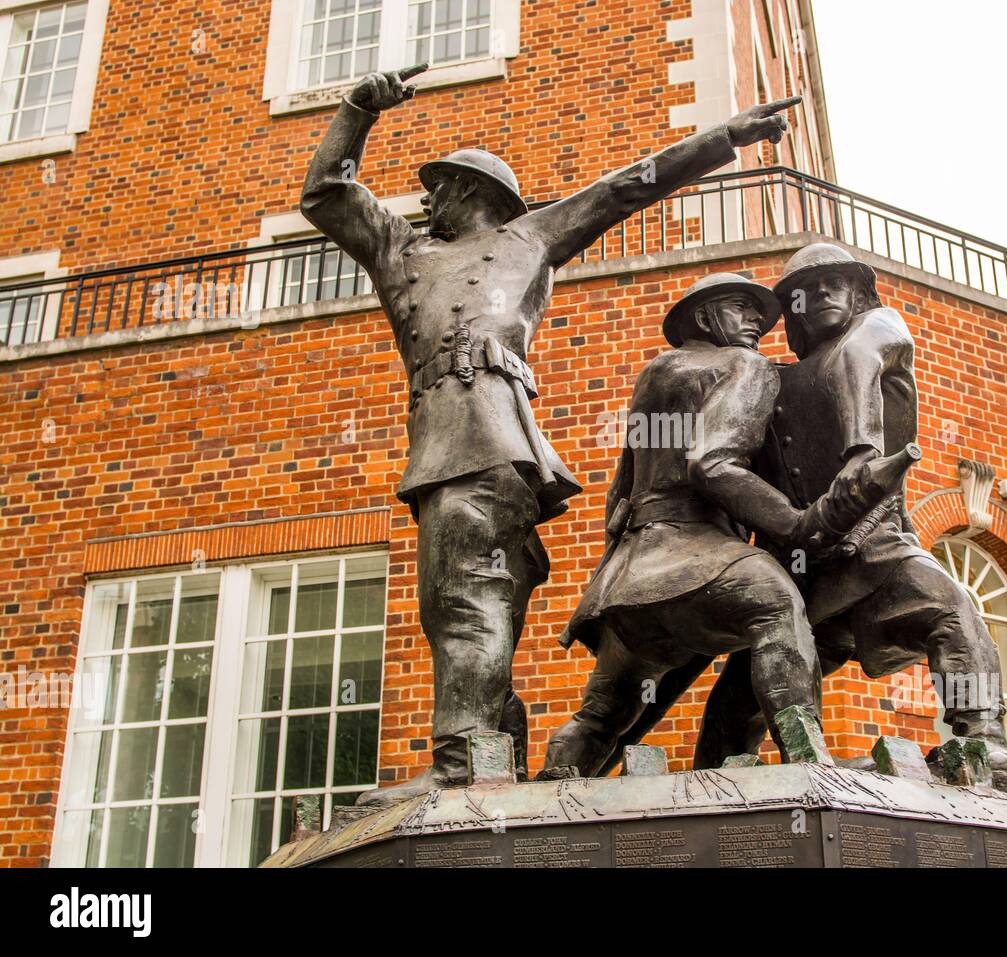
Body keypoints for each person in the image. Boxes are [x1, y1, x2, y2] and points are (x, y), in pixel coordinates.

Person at [301, 63, 802, 803]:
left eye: (438, 187)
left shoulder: (525, 239)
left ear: (474, 194)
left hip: (487, 444)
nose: (425, 198)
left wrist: (723, 137)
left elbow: (629, 184)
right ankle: (492, 746)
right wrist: (357, 104)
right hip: (444, 448)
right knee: (463, 607)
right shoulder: (401, 253)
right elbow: (325, 193)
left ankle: (463, 763)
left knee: (468, 604)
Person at [694, 243, 1007, 774]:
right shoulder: (767, 379)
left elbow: (858, 358)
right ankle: (717, 784)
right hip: (802, 567)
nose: (821, 294)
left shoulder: (880, 330)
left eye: (835, 284)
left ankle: (984, 738)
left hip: (875, 542)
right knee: (742, 694)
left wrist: (861, 451)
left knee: (948, 609)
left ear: (858, 294)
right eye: (806, 290)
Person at [541, 273, 873, 777]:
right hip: (700, 557)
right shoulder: (745, 365)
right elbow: (713, 465)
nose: (755, 325)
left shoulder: (656, 372)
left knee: (601, 717)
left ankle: (547, 799)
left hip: (631, 579)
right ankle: (808, 760)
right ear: (703, 317)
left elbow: (618, 495)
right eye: (742, 309)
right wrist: (796, 523)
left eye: (760, 318)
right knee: (777, 605)